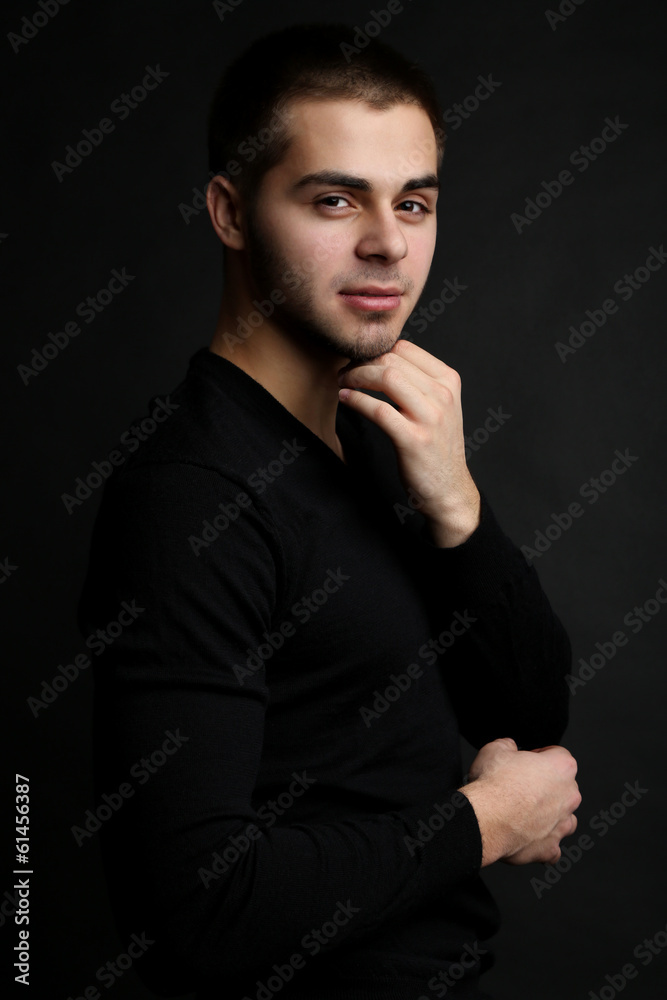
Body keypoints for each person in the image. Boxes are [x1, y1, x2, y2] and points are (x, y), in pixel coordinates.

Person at [78, 24, 581, 1000]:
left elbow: (526, 717)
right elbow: (198, 908)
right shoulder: (192, 492)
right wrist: (482, 822)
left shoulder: (379, 444)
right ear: (230, 211)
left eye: (415, 202)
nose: (388, 240)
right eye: (335, 198)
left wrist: (459, 508)